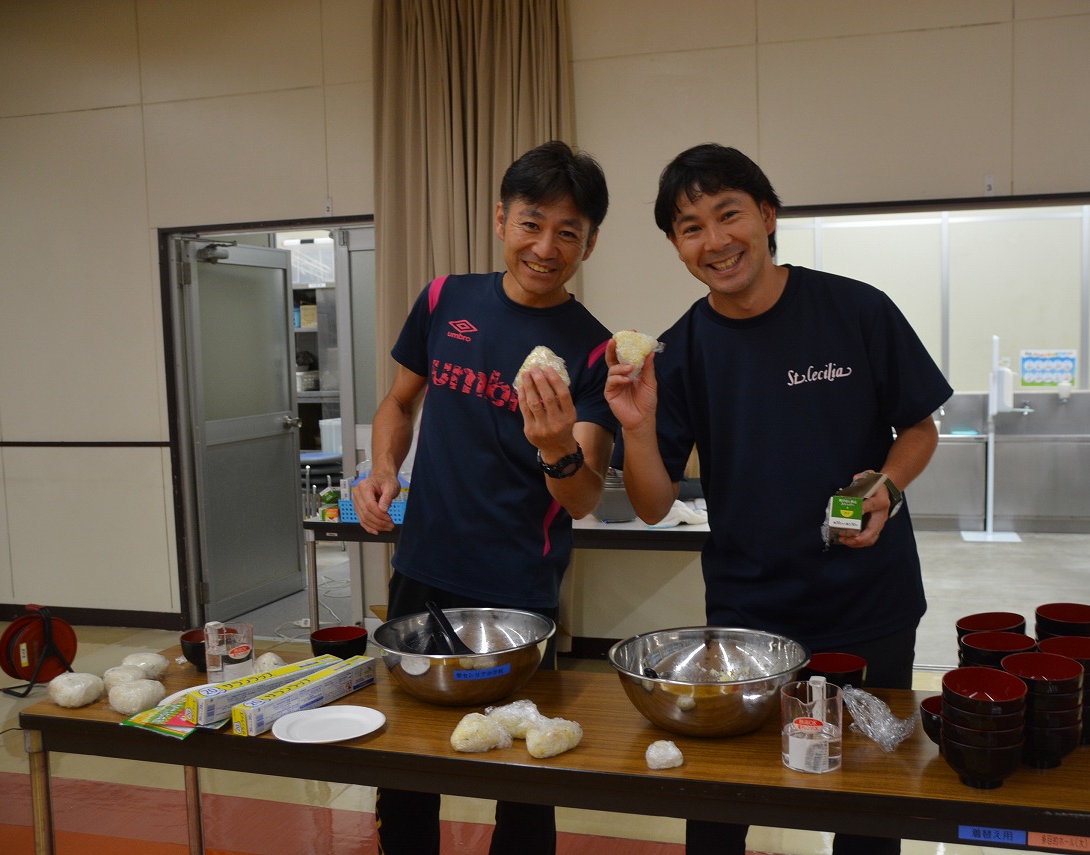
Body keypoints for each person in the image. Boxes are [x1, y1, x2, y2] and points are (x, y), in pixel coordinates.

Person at [604, 143, 952, 855]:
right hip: (747, 619)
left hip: (870, 604)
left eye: (728, 214)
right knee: (722, 804)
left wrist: (887, 484)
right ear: (676, 245)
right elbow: (652, 502)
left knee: (868, 806)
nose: (715, 240)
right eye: (691, 227)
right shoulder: (680, 351)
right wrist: (636, 429)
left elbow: (920, 428)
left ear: (767, 215)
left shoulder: (855, 309)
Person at [353, 140, 617, 855]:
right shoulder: (445, 298)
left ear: (590, 242)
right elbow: (398, 402)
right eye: (532, 223)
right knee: (407, 758)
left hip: (518, 584)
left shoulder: (594, 350)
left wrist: (556, 444)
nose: (546, 247)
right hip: (423, 567)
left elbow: (582, 494)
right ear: (501, 219)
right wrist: (383, 467)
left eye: (568, 232)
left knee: (525, 770)